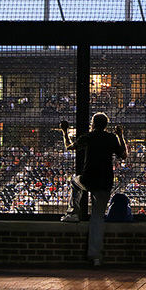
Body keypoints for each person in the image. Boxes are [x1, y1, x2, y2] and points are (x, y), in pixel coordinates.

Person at [60, 113, 127, 266]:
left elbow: (69, 147)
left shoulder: (89, 136)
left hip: (88, 179)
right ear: (106, 125)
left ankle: (73, 213)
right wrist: (120, 136)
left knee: (74, 180)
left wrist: (65, 132)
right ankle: (95, 256)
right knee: (97, 218)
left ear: (93, 123)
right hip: (105, 181)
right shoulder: (111, 138)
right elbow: (124, 155)